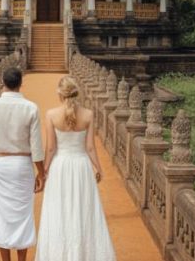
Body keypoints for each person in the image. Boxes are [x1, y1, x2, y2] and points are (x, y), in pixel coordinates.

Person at [35, 76, 116, 261]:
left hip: (60, 167)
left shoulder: (51, 115)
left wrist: (44, 170)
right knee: (83, 210)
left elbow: (50, 148)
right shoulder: (88, 114)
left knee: (59, 211)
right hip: (81, 167)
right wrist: (99, 168)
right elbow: (89, 147)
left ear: (60, 94)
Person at [0, 67, 46, 261]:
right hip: (23, 165)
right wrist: (41, 173)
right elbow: (36, 147)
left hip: (0, 164)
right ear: (20, 83)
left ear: (3, 81)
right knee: (23, 215)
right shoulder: (31, 107)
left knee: (2, 216)